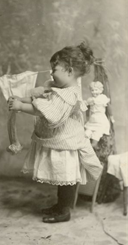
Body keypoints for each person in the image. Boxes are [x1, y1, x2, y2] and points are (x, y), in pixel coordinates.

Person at [8, 41, 103, 223]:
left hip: (66, 141)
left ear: (69, 71)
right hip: (59, 138)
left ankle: (64, 210)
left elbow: (45, 111)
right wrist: (21, 99)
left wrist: (20, 106)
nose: (51, 73)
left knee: (65, 176)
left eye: (55, 69)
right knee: (61, 177)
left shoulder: (68, 95)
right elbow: (40, 98)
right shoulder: (58, 87)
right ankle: (60, 206)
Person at [84, 81, 115, 148]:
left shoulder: (103, 98)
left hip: (100, 119)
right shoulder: (90, 100)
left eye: (96, 90)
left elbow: (108, 108)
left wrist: (111, 117)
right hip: (92, 119)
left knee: (97, 133)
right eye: (92, 90)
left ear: (100, 90)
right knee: (87, 132)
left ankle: (94, 145)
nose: (94, 92)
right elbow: (88, 109)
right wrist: (86, 118)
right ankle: (87, 144)